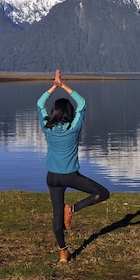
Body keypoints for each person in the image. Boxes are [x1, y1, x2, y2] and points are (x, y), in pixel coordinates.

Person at [37, 69, 110, 262]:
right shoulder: (74, 127)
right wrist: (64, 86)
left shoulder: (47, 127)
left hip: (52, 177)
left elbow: (39, 103)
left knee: (56, 215)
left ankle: (63, 252)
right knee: (102, 193)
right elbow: (83, 103)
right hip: (70, 175)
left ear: (54, 112)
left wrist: (54, 86)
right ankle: (73, 210)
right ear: (69, 113)